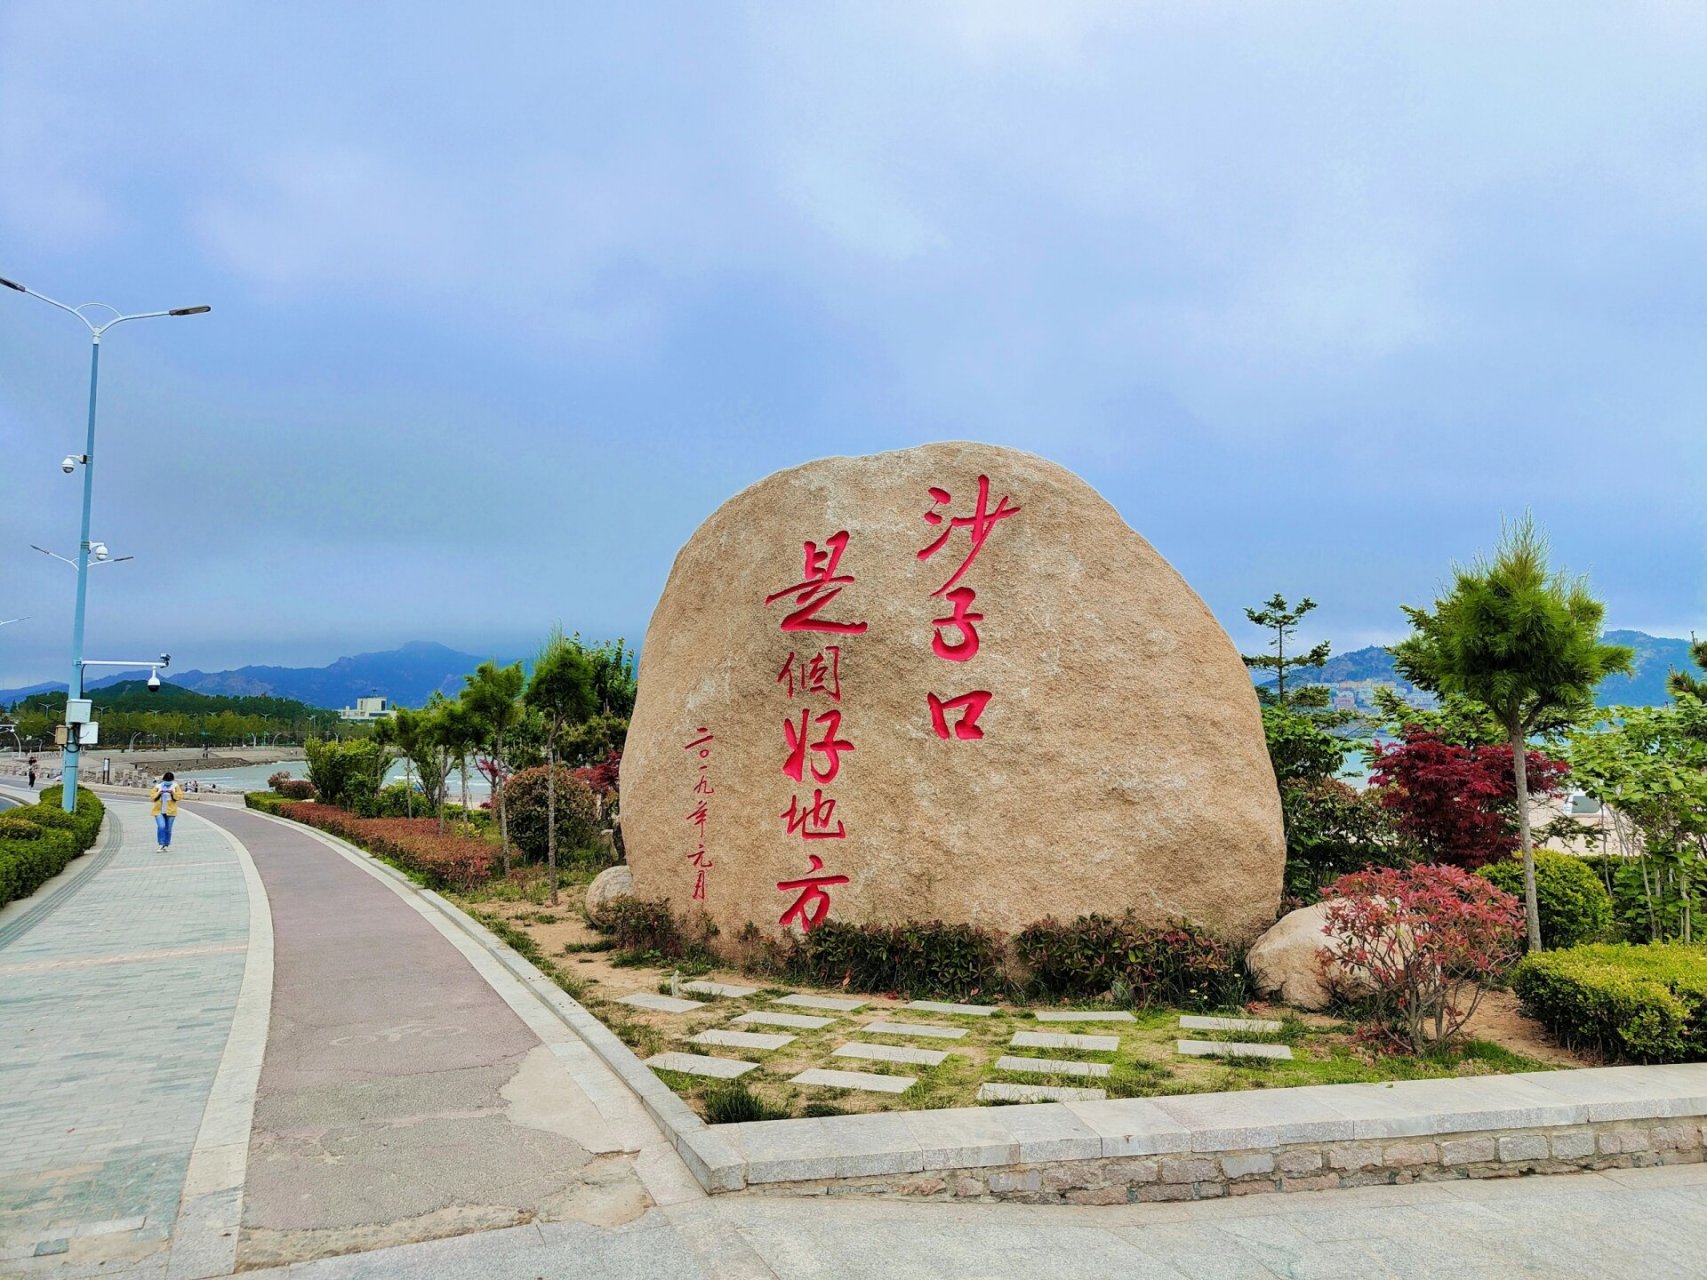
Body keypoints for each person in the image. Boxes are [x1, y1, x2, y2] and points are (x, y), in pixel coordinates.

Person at [151, 772, 183, 852]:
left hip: (171, 811)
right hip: (158, 810)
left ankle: (166, 844)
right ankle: (161, 844)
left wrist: (173, 793)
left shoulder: (175, 786)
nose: (167, 782)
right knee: (161, 826)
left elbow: (179, 797)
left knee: (168, 829)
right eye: (166, 780)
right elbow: (152, 796)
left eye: (169, 780)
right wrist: (159, 793)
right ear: (163, 779)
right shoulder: (158, 786)